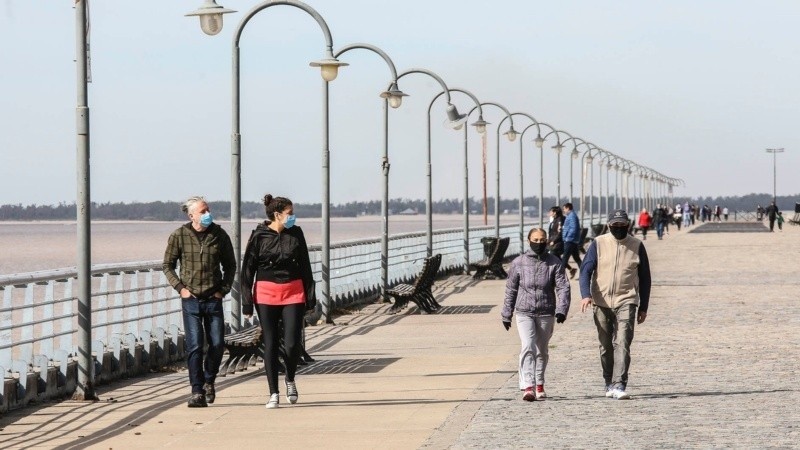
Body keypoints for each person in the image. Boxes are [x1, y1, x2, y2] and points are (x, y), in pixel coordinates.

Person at [241, 194, 317, 409]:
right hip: (266, 294)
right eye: (289, 213)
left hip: (294, 292)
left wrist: (310, 298)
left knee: (293, 344)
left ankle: (290, 379)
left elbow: (305, 266)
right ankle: (273, 392)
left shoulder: (296, 233)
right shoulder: (259, 235)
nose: (293, 217)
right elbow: (248, 270)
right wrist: (247, 302)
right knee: (271, 343)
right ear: (277, 214)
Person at [163, 196, 236, 408]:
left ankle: (209, 380)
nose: (207, 214)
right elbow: (167, 265)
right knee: (195, 346)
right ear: (191, 215)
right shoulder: (179, 235)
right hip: (191, 300)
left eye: (208, 210)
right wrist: (181, 289)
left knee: (217, 344)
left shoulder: (219, 235)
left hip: (213, 298)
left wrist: (222, 290)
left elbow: (230, 265)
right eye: (203, 211)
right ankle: (196, 391)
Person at [579, 209, 651, 400]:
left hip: (627, 299)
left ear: (628, 225)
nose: (618, 228)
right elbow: (585, 270)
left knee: (623, 342)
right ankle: (608, 380)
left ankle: (619, 384)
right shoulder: (598, 243)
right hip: (601, 300)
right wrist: (586, 295)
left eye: (622, 225)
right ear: (609, 225)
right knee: (605, 345)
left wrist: (643, 306)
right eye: (615, 225)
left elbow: (645, 278)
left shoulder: (637, 245)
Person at [501, 228, 571, 401]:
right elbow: (511, 289)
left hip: (546, 311)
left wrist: (562, 309)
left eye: (542, 240)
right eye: (535, 239)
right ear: (528, 240)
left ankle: (540, 383)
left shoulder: (554, 262)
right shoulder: (518, 263)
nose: (539, 243)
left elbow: (563, 287)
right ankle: (528, 386)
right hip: (524, 312)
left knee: (542, 350)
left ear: (547, 241)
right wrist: (506, 313)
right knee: (528, 346)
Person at [547, 206, 576, 278]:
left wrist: (554, 241)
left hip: (557, 243)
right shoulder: (554, 220)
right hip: (552, 242)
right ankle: (570, 269)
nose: (550, 213)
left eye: (551, 212)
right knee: (557, 258)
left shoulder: (560, 220)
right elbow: (552, 232)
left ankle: (558, 274)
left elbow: (560, 233)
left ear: (555, 212)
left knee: (553, 257)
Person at [560, 202, 582, 271]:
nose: (563, 211)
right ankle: (584, 271)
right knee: (577, 258)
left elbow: (573, 228)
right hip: (572, 240)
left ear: (568, 208)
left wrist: (567, 238)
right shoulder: (570, 216)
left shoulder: (572, 216)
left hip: (570, 240)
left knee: (564, 259)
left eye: (564, 209)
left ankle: (560, 275)